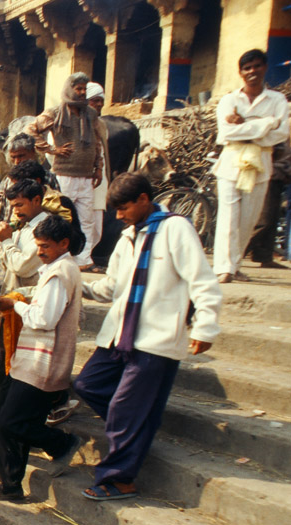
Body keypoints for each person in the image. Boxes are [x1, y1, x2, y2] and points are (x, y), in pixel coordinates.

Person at [74, 173, 221, 501]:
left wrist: (205, 327)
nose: (118, 216)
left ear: (144, 199)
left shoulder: (175, 229)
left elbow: (202, 281)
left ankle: (119, 479)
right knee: (88, 385)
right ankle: (136, 428)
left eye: (124, 208)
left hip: (155, 336)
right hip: (121, 334)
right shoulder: (127, 237)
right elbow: (110, 287)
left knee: (127, 409)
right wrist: (75, 284)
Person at [0, 215, 85, 502]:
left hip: (43, 365)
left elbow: (44, 319)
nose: (40, 252)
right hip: (29, 360)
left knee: (12, 421)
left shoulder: (62, 272)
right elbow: (40, 298)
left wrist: (15, 305)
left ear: (64, 243)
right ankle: (9, 485)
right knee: (0, 415)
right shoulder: (55, 268)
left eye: (45, 246)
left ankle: (62, 444)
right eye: (37, 245)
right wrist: (17, 298)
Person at [213, 49, 290, 283]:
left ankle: (234, 266)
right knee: (228, 217)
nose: (252, 71)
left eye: (257, 66)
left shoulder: (277, 101)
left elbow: (281, 134)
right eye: (247, 68)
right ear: (241, 73)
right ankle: (223, 269)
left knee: (248, 219)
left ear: (264, 68)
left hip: (260, 163)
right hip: (231, 162)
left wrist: (246, 128)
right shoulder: (229, 100)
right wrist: (265, 124)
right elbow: (226, 133)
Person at [24, 72, 105, 268]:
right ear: (70, 89)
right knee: (62, 217)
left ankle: (84, 260)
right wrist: (52, 149)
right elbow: (30, 129)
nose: (82, 93)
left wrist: (98, 168)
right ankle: (60, 258)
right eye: (78, 89)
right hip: (64, 176)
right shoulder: (55, 113)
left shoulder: (91, 114)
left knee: (87, 220)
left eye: (84, 89)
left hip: (86, 177)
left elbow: (97, 143)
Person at [248, 140, 291, 268]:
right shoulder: (279, 130)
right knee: (265, 220)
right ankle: (237, 254)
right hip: (269, 175)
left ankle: (264, 256)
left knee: (273, 219)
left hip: (279, 177)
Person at [83, 82, 110, 271]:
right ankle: (81, 259)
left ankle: (88, 256)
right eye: (95, 101)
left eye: (101, 101)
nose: (99, 104)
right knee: (81, 219)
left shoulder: (101, 125)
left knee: (96, 223)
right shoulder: (74, 121)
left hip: (99, 180)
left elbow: (103, 154)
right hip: (79, 177)